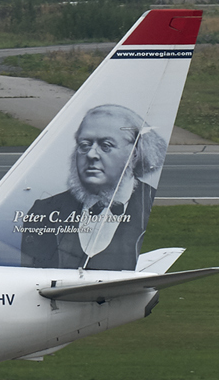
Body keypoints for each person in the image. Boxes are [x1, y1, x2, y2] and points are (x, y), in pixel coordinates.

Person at [19, 104, 166, 270]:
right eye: (84, 145)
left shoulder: (153, 209)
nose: (91, 154)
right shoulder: (44, 211)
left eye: (106, 145)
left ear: (135, 153)